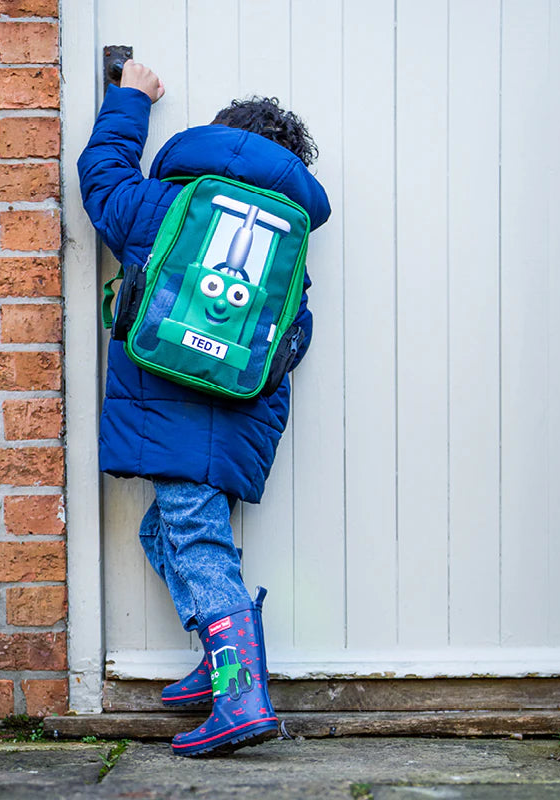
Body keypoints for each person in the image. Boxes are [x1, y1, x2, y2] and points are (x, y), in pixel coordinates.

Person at [77, 61, 331, 757]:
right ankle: (223, 659)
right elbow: (294, 338)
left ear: (217, 138)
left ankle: (241, 691)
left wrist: (130, 97)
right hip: (238, 416)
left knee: (194, 539)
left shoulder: (163, 204)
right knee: (166, 534)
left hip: (165, 406)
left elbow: (100, 176)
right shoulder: (289, 243)